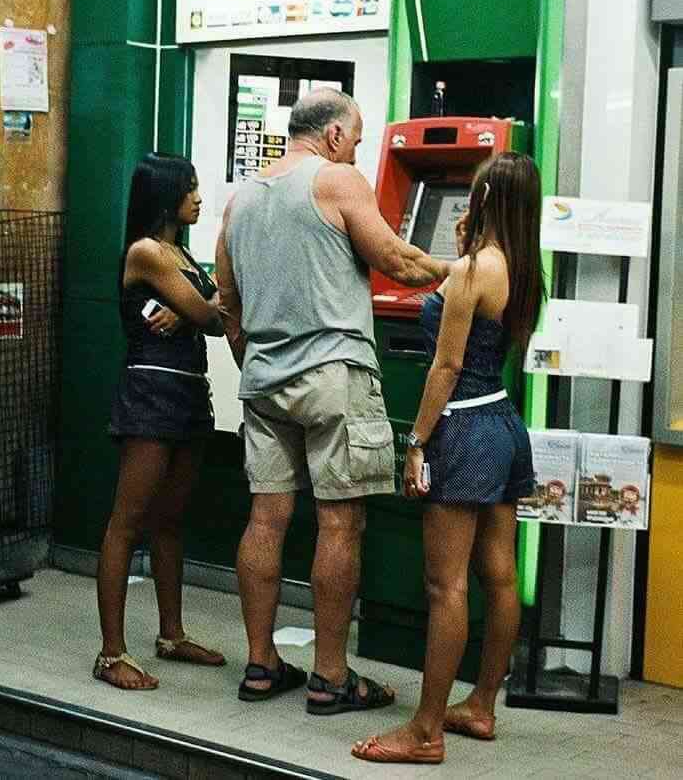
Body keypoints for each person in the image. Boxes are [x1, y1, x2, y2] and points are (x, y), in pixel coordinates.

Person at [216, 89, 451, 713]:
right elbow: (397, 260)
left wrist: (257, 361)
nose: (360, 148)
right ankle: (329, 677)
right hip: (333, 374)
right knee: (340, 521)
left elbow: (227, 302)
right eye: (359, 136)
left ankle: (261, 666)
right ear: (336, 135)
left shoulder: (241, 201)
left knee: (265, 519)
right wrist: (465, 272)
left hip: (264, 378)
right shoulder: (338, 180)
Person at [353, 152, 545, 765]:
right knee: (500, 574)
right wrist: (457, 255)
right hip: (505, 424)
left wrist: (417, 442)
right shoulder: (522, 268)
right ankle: (481, 705)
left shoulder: (470, 271)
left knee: (446, 584)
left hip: (461, 428)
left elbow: (446, 364)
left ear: (484, 199)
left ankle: (426, 729)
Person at [93, 153, 227, 690]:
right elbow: (216, 316)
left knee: (171, 519)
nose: (198, 197)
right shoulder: (148, 252)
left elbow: (214, 307)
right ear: (166, 194)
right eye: (190, 188)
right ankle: (110, 654)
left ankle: (170, 634)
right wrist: (202, 302)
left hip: (187, 393)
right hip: (151, 393)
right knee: (126, 522)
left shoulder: (179, 254)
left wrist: (202, 300)